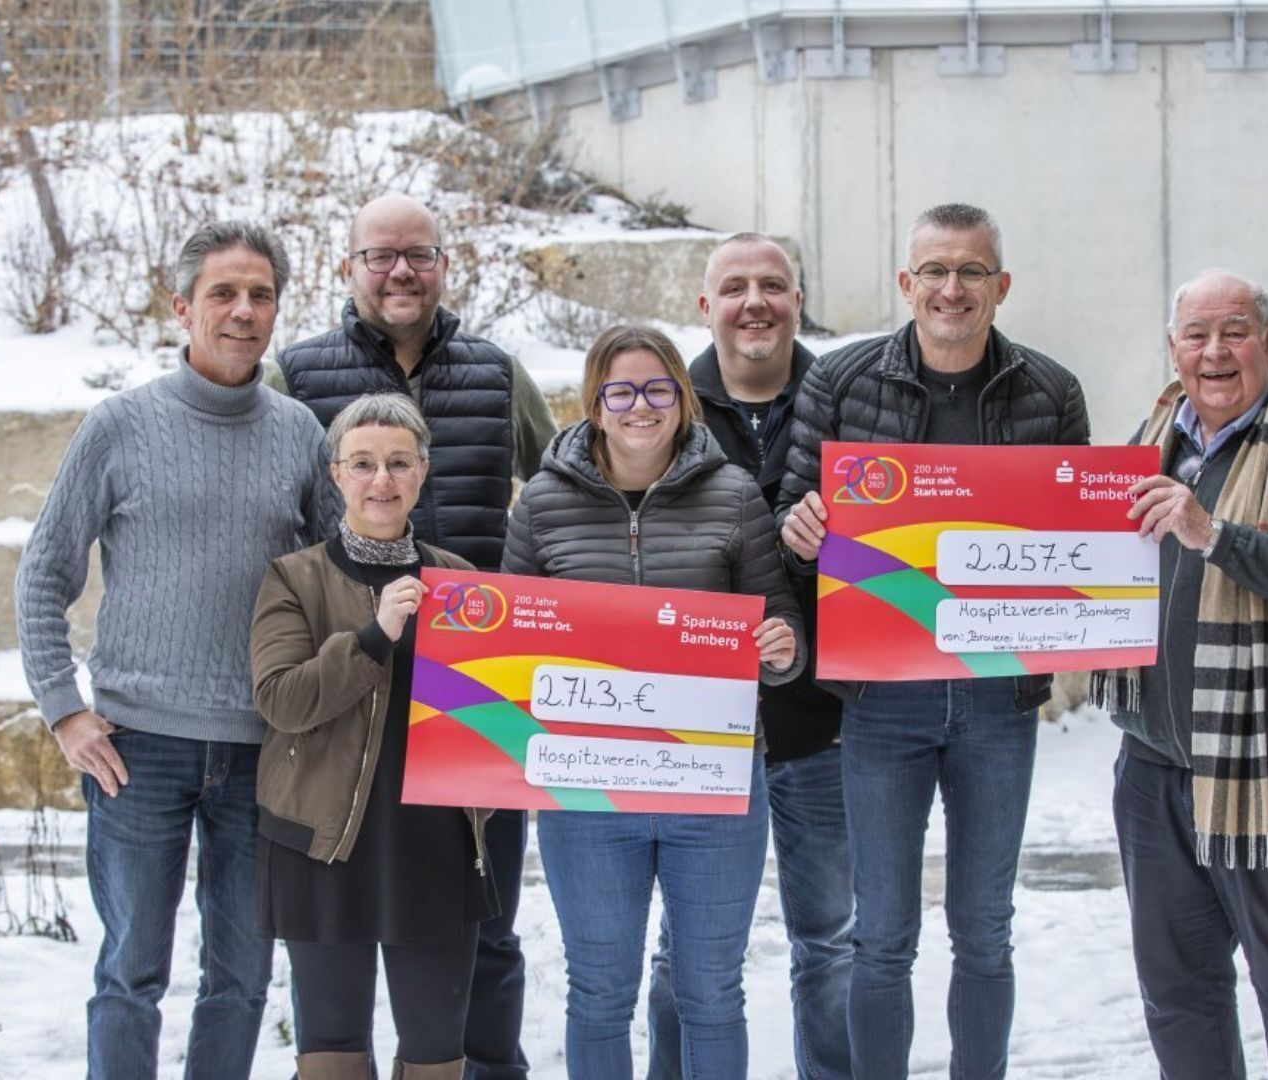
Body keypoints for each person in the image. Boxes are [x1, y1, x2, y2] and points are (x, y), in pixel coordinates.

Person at [15, 221, 337, 1079]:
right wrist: (64, 710)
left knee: (240, 976)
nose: (243, 312)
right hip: (135, 750)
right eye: (223, 293)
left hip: (262, 748)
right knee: (131, 972)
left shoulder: (302, 433)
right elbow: (44, 573)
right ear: (181, 306)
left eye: (260, 295)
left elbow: (341, 579)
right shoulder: (120, 426)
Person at [775, 203, 1090, 1079]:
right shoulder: (841, 382)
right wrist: (800, 530)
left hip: (999, 701)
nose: (954, 289)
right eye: (936, 272)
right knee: (881, 934)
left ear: (1002, 285)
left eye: (973, 272)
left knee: (985, 930)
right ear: (906, 283)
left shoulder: (1051, 391)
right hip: (881, 699)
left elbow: (1072, 545)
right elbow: (791, 517)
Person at [276, 193, 557, 1080]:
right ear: (348, 266)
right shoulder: (297, 376)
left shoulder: (497, 375)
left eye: (419, 254)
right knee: (341, 929)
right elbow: (274, 522)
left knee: (488, 918)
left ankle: (489, 1069)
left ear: (444, 262)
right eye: (380, 255)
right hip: (349, 691)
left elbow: (558, 498)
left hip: (474, 694)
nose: (401, 271)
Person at [1095, 269, 1268, 1080]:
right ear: (1173, 347)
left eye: (1235, 332)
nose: (1215, 352)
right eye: (1196, 334)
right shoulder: (1149, 445)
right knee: (1177, 990)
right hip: (1156, 768)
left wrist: (1214, 533)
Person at [503, 324, 806, 1080]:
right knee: (600, 993)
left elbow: (782, 626)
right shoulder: (540, 505)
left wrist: (780, 650)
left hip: (713, 789)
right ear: (595, 403)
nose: (642, 407)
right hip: (587, 797)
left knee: (710, 992)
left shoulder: (735, 495)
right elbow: (507, 652)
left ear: (682, 398)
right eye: (622, 391)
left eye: (658, 389)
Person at [645, 233, 853, 1080]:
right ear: (706, 306)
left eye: (774, 284)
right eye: (735, 287)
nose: (755, 301)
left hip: (820, 723)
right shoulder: (659, 407)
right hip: (692, 730)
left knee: (831, 941)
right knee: (682, 952)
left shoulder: (846, 399)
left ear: (799, 300)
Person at [250, 393, 496, 1080]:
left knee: (435, 1054)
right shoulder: (292, 579)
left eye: (397, 462)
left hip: (434, 846)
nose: (380, 480)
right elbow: (281, 700)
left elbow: (494, 722)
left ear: (422, 470)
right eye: (362, 463)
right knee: (330, 1051)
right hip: (320, 845)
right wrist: (372, 635)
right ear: (335, 474)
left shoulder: (464, 585)